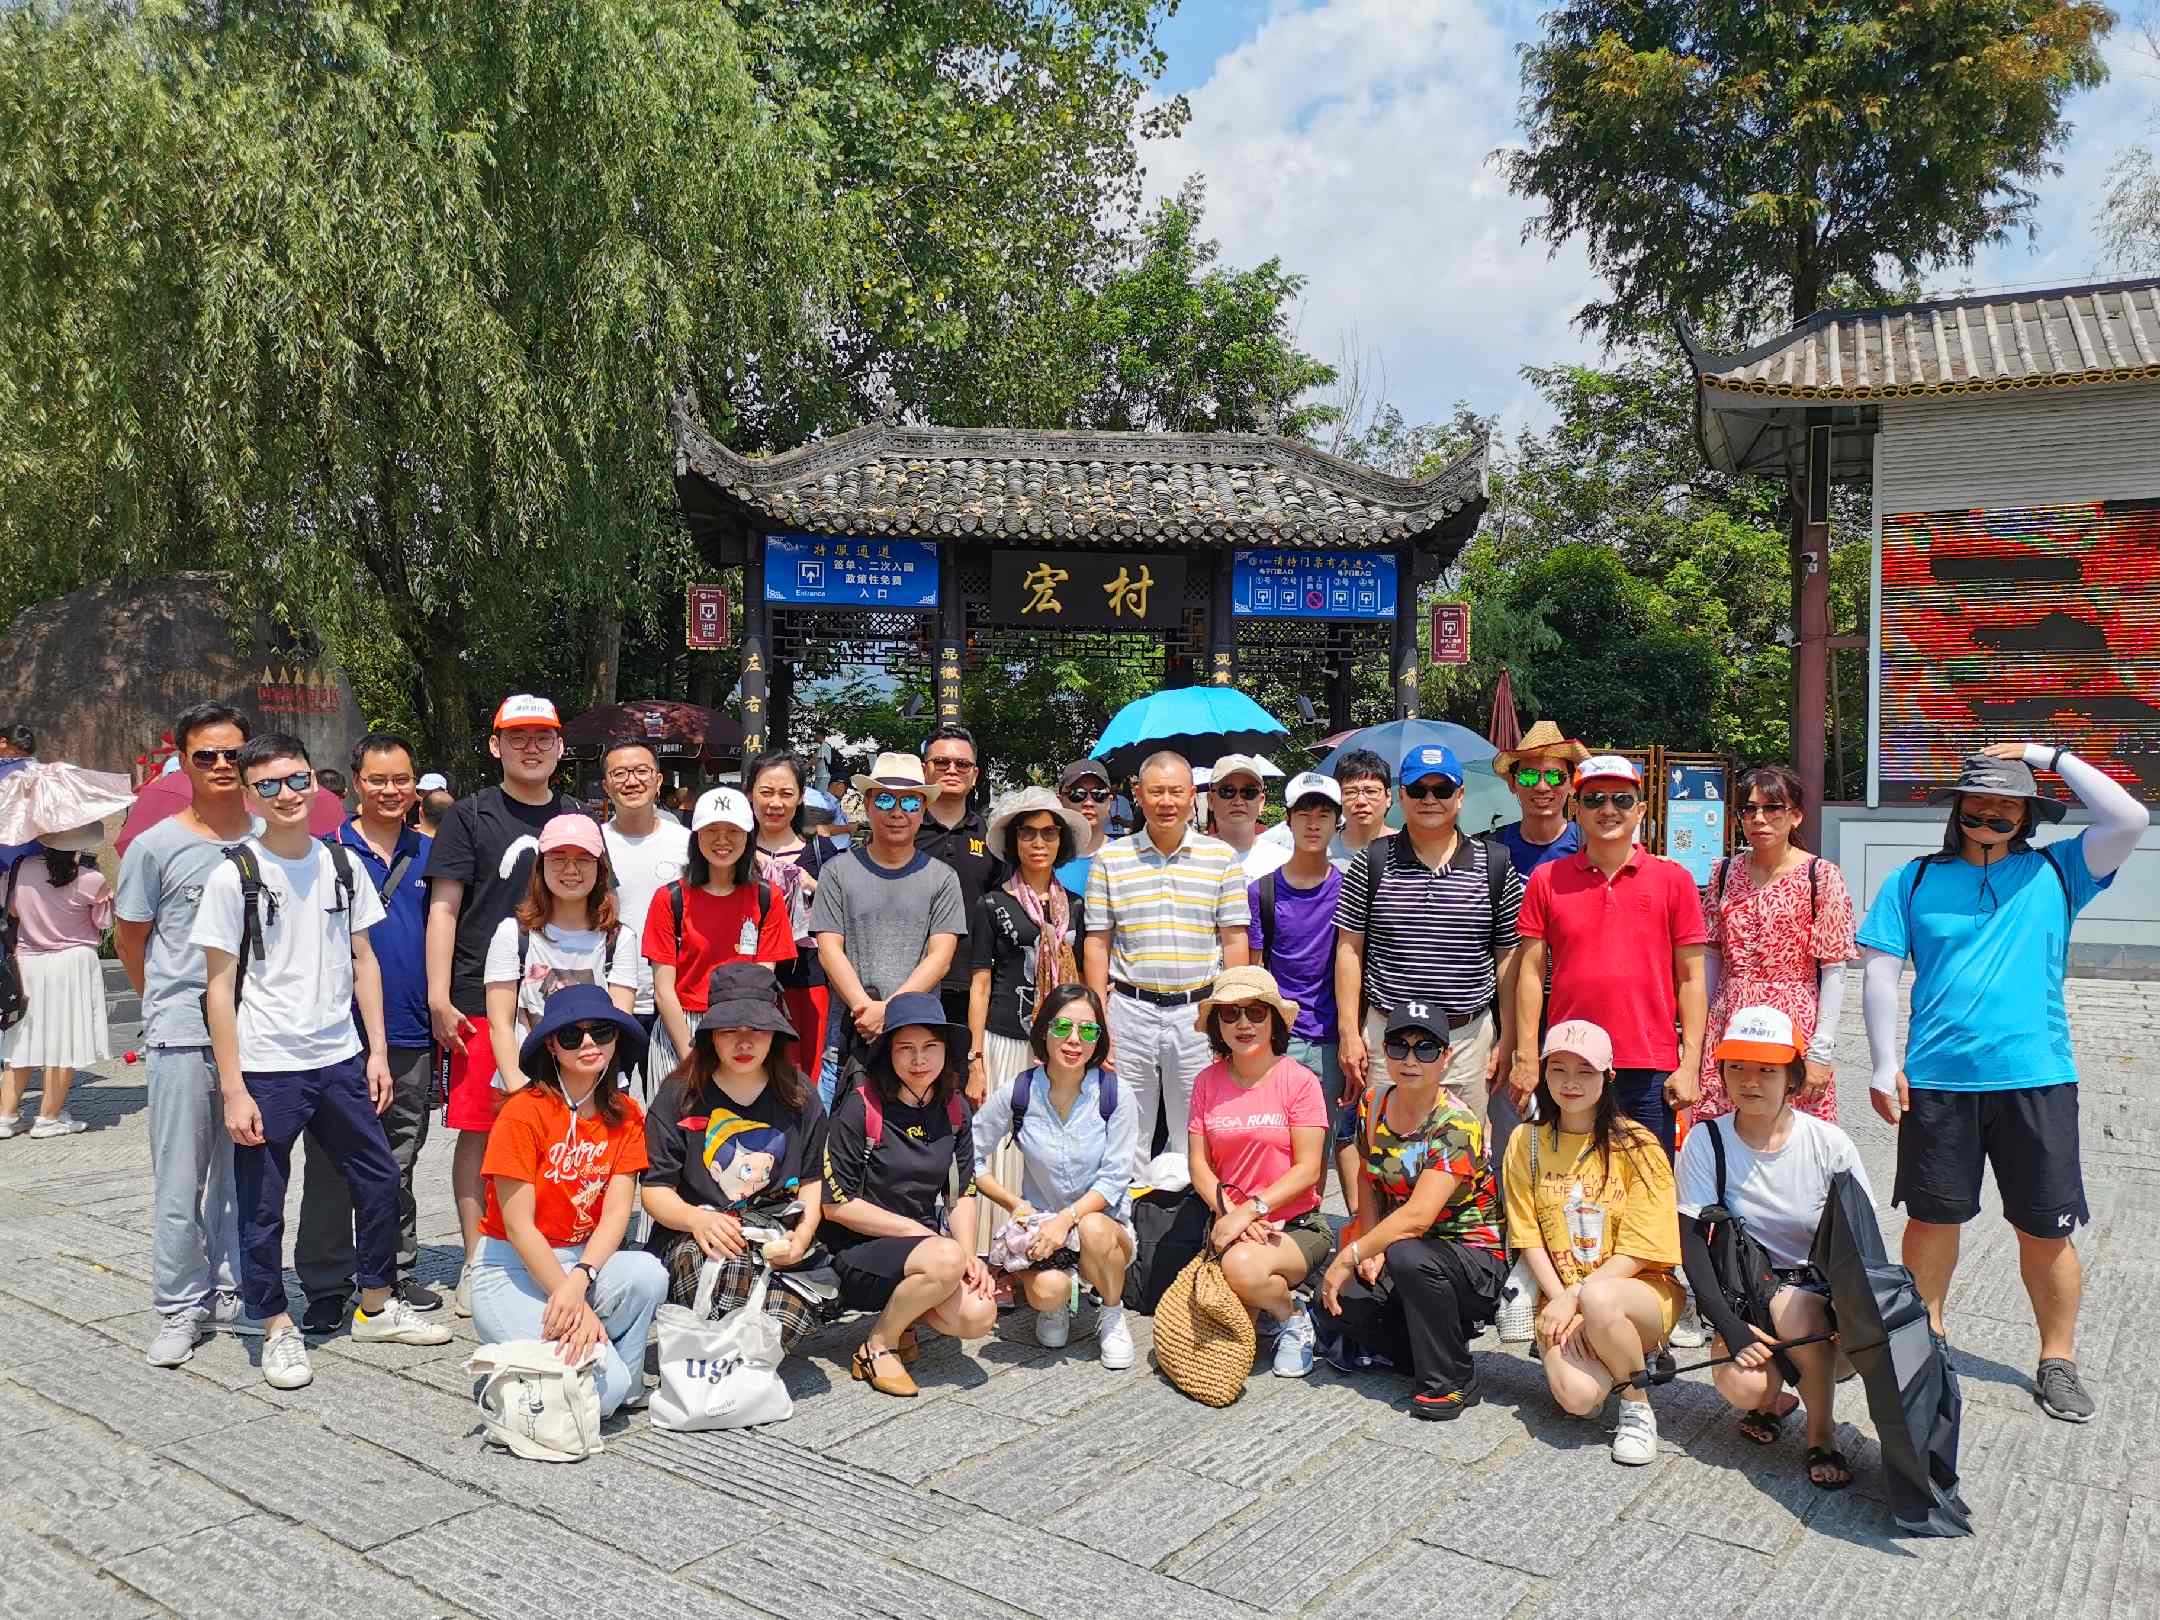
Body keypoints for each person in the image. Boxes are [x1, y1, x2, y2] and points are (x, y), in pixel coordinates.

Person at [1858, 742, 2146, 1425]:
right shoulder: (1914, 880)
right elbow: (1879, 971)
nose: (1990, 814)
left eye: (2007, 804)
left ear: (2028, 815)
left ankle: (2058, 1358)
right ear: (1956, 808)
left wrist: (2046, 754)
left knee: (2045, 1228)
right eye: (1978, 801)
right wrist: (1880, 1060)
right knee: (1932, 1220)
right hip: (1938, 1080)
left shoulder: (2061, 871)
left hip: (2036, 1078)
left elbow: (2129, 817)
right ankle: (1925, 1340)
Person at [194, 734, 452, 1388]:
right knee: (263, 1203)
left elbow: (364, 961)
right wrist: (233, 1087)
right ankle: (275, 1322)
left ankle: (376, 1302)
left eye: (296, 780)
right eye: (268, 785)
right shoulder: (234, 875)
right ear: (249, 795)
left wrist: (378, 1052)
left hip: (341, 1056)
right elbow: (218, 988)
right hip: (267, 1064)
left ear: (315, 782)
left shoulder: (340, 865)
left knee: (379, 1178)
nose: (285, 795)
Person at [115, 701, 262, 1367]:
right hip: (182, 1033)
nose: (222, 765)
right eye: (207, 755)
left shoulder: (271, 838)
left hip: (259, 1032)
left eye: (234, 753)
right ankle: (180, 1305)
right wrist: (163, 1005)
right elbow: (132, 939)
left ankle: (235, 1288)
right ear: (183, 761)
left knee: (245, 1175)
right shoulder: (156, 847)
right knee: (180, 1180)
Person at [425, 693, 580, 1315]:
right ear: (496, 746)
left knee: (558, 1128)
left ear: (560, 746)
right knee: (481, 1129)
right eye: (518, 737)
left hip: (561, 999)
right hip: (478, 997)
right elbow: (444, 908)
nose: (531, 748)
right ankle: (475, 1259)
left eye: (543, 737)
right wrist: (438, 995)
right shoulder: (470, 816)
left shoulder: (576, 816)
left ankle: (547, 1248)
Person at [1677, 1006, 1872, 1487]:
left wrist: (1856, 1317)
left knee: (1796, 1308)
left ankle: (1822, 1435)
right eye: (1737, 1067)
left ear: (1793, 1077)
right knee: (1743, 1386)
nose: (1750, 1081)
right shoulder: (1706, 1140)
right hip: (1747, 1294)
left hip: (1818, 1299)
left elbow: (1864, 1242)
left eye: (1767, 1069)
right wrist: (1730, 1328)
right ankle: (1774, 1399)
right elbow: (1691, 1245)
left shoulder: (1829, 1144)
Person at [470, 984, 669, 1418]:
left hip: (581, 1262)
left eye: (602, 1031)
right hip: (510, 1267)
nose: (589, 1043)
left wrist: (579, 1280)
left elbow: (617, 1213)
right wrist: (571, 1296)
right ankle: (521, 1372)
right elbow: (518, 1226)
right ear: (552, 1047)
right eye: (571, 1035)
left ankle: (615, 1375)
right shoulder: (523, 1112)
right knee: (599, 1393)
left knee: (646, 1273)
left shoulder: (627, 1114)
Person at [298, 732, 441, 1333]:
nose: (390, 790)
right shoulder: (326, 854)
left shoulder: (433, 853)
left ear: (415, 785)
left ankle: (392, 1270)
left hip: (411, 1031)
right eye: (378, 780)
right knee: (331, 1164)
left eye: (401, 779)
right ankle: (327, 1282)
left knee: (398, 1158)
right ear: (357, 782)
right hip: (337, 1036)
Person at [1503, 1019, 1686, 1466]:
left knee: (1600, 1299)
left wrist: (1577, 1297)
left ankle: (1636, 1405)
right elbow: (1527, 1236)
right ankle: (1614, 1353)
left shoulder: (1638, 1145)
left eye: (1585, 1071)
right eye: (1558, 1069)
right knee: (1579, 1398)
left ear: (1608, 1077)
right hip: (1561, 1295)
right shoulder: (1525, 1141)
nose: (1570, 1082)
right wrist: (1561, 1299)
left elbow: (1641, 1249)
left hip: (1636, 1293)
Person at [1512, 754, 1707, 1156]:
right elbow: (1529, 972)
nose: (1608, 809)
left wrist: (1690, 1064)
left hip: (1648, 1062)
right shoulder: (1547, 880)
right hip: (1569, 1059)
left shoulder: (1675, 880)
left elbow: (1691, 978)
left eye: (1621, 799)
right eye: (1594, 799)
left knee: (1646, 1181)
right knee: (1565, 1178)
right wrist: (1528, 1056)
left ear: (1640, 810)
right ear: (1577, 810)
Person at [1320, 1002, 1507, 1418]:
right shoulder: (1373, 1103)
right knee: (1335, 1301)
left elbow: (1419, 1217)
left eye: (1425, 1048)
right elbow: (1368, 1177)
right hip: (1408, 1248)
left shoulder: (1457, 1124)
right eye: (1398, 1046)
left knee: (1405, 1255)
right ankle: (1434, 1344)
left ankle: (1451, 1379)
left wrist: (1353, 1254)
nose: (1410, 1059)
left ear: (1445, 1057)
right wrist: (1367, 1248)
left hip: (1473, 1258)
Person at [640, 964, 828, 1355]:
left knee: (793, 1316)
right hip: (698, 1235)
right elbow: (655, 1191)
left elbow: (812, 1181)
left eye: (757, 1030)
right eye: (729, 1031)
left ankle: (736, 1364)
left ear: (775, 1033)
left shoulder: (801, 1096)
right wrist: (695, 1219)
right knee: (726, 1267)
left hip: (775, 1234)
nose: (744, 1043)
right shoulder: (679, 1095)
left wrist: (803, 1235)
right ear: (711, 1035)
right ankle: (718, 1362)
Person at [1335, 742, 1523, 1133]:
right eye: (1419, 790)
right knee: (1386, 1152)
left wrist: (1509, 1037)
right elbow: (1349, 950)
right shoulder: (1371, 860)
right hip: (1389, 1039)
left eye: (1442, 789)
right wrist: (1349, 1032)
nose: (1430, 799)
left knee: (1463, 1154)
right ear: (1402, 795)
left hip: (1465, 1041)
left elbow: (1507, 957)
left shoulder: (1496, 863)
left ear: (1460, 794)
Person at [821, 990, 998, 1396]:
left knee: (978, 1314)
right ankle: (877, 1346)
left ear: (946, 1051)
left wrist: (969, 1255)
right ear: (888, 1053)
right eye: (906, 1048)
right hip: (856, 1250)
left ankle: (904, 1319)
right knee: (945, 1258)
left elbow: (961, 1193)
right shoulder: (861, 1106)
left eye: (930, 1047)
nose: (919, 1060)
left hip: (924, 1249)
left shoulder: (953, 1108)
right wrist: (927, 1238)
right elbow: (835, 1206)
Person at [1084, 751, 1251, 1179]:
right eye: (1156, 792)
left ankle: (1195, 1217)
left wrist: (1230, 1014)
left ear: (1193, 795)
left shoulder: (1221, 858)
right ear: (1138, 795)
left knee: (1198, 1129)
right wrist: (1098, 1018)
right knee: (1125, 1128)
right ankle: (1127, 1217)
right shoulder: (1111, 859)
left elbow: (1235, 940)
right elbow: (1097, 943)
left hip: (1198, 1013)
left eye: (1176, 791)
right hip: (1130, 1011)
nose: (1166, 802)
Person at [971, 983, 1138, 1365]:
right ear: (1044, 1030)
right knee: (1048, 1292)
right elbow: (968, 1155)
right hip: (1041, 1231)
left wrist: (1067, 1219)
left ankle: (1112, 1311)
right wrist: (1012, 1203)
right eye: (1062, 1027)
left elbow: (1114, 1179)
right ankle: (1057, 1303)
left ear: (1099, 1038)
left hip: (1103, 1230)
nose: (1074, 1040)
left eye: (1088, 1030)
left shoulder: (1116, 1094)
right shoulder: (1019, 1092)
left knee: (1092, 1227)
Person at [1186, 967, 1331, 1377]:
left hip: (1295, 1225)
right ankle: (1270, 1301)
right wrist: (1231, 1214)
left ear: (1273, 1020)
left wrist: (1250, 1211)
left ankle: (1293, 1315)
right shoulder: (1206, 1082)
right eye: (1230, 1014)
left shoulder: (1299, 1081)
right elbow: (1198, 1165)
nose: (1243, 1023)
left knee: (1242, 1269)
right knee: (1218, 1358)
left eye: (1255, 1012)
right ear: (1217, 1024)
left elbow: (1308, 1170)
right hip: (1228, 1223)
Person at [1696, 764, 1857, 1126]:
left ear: (1795, 816)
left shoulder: (1821, 876)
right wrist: (1698, 1038)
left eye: (1772, 808)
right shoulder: (1724, 873)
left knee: (1794, 1131)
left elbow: (1834, 967)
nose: (1759, 819)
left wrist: (1821, 1051)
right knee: (1724, 1128)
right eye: (1749, 809)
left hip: (1793, 1019)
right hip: (1729, 1017)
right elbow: (1711, 957)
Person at [969, 788, 1091, 1250]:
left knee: (1049, 1147)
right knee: (1003, 1147)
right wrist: (976, 1059)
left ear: (1062, 841)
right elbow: (981, 983)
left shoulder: (1075, 906)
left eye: (1048, 833)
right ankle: (996, 1248)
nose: (1038, 843)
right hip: (1005, 1040)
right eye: (1028, 833)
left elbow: (1086, 983)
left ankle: (1048, 1245)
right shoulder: (992, 904)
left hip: (1060, 1045)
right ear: (1013, 840)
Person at [811, 754, 967, 1104]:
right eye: (884, 800)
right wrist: (865, 1009)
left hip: (918, 1048)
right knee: (840, 1135)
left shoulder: (942, 878)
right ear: (867, 805)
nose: (897, 812)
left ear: (923, 809)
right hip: (848, 1039)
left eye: (910, 802)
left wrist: (890, 1012)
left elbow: (940, 958)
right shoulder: (836, 872)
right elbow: (829, 949)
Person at [643, 786, 796, 1089]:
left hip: (745, 1026)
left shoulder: (767, 898)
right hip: (682, 1025)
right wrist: (691, 1054)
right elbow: (663, 991)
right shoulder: (669, 899)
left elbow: (760, 983)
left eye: (733, 831)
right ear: (696, 836)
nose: (722, 840)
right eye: (711, 830)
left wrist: (740, 1040)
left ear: (748, 837)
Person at [1247, 772, 1355, 1202]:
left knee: (1318, 1154)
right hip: (1279, 1042)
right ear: (1288, 820)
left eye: (1324, 814)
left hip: (1331, 1041)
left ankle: (1310, 1232)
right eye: (1304, 813)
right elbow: (1254, 972)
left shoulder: (1349, 889)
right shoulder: (1262, 891)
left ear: (1337, 822)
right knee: (1271, 1149)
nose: (1313, 823)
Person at [485, 813, 638, 1096]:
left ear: (600, 867)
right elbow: (500, 1025)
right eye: (558, 859)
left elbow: (616, 1024)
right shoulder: (513, 934)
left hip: (600, 1089)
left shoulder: (619, 939)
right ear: (541, 866)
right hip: (527, 1086)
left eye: (583, 859)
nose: (571, 870)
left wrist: (590, 1097)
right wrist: (521, 1094)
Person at [0, 825, 112, 1137]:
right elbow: (103, 922)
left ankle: (6, 1115)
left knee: (22, 1039)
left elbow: (11, 909)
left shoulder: (21, 869)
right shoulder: (90, 879)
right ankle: (49, 1117)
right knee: (66, 1039)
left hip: (29, 961)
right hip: (72, 962)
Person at [746, 750, 845, 1078]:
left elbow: (842, 914)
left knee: (802, 1078)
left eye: (786, 793)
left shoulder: (821, 852)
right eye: (766, 792)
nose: (775, 803)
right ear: (750, 793)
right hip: (744, 981)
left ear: (800, 796)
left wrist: (811, 886)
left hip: (806, 980)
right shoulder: (733, 849)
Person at [598, 736, 691, 1066]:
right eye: (619, 773)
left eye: (641, 771)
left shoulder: (688, 844)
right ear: (606, 785)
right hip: (610, 996)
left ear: (658, 779)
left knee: (676, 1095)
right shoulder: (592, 844)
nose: (631, 781)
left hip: (676, 1000)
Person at [916, 723, 1004, 1028]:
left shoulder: (993, 838)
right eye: (941, 762)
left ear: (975, 774)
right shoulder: (903, 831)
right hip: (910, 981)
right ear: (925, 769)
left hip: (975, 985)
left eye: (962, 764)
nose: (951, 770)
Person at [1490, 721, 1588, 879]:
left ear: (1572, 784)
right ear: (1512, 784)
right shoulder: (1491, 851)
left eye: (1555, 777)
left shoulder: (1591, 848)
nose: (1542, 787)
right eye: (1528, 777)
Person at [1208, 754, 1287, 882]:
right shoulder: (1188, 860)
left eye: (1249, 792)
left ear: (1261, 802)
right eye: (1228, 791)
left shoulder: (1283, 863)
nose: (1238, 801)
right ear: (1211, 800)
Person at [1053, 758, 1115, 894]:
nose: (1088, 803)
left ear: (1109, 802)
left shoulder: (1125, 856)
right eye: (1077, 794)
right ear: (1060, 801)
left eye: (1098, 794)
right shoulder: (1045, 858)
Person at [1330, 748, 1393, 868]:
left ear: (1388, 797)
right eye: (1350, 792)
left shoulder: (1413, 851)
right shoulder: (1320, 853)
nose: (1361, 801)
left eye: (1371, 791)